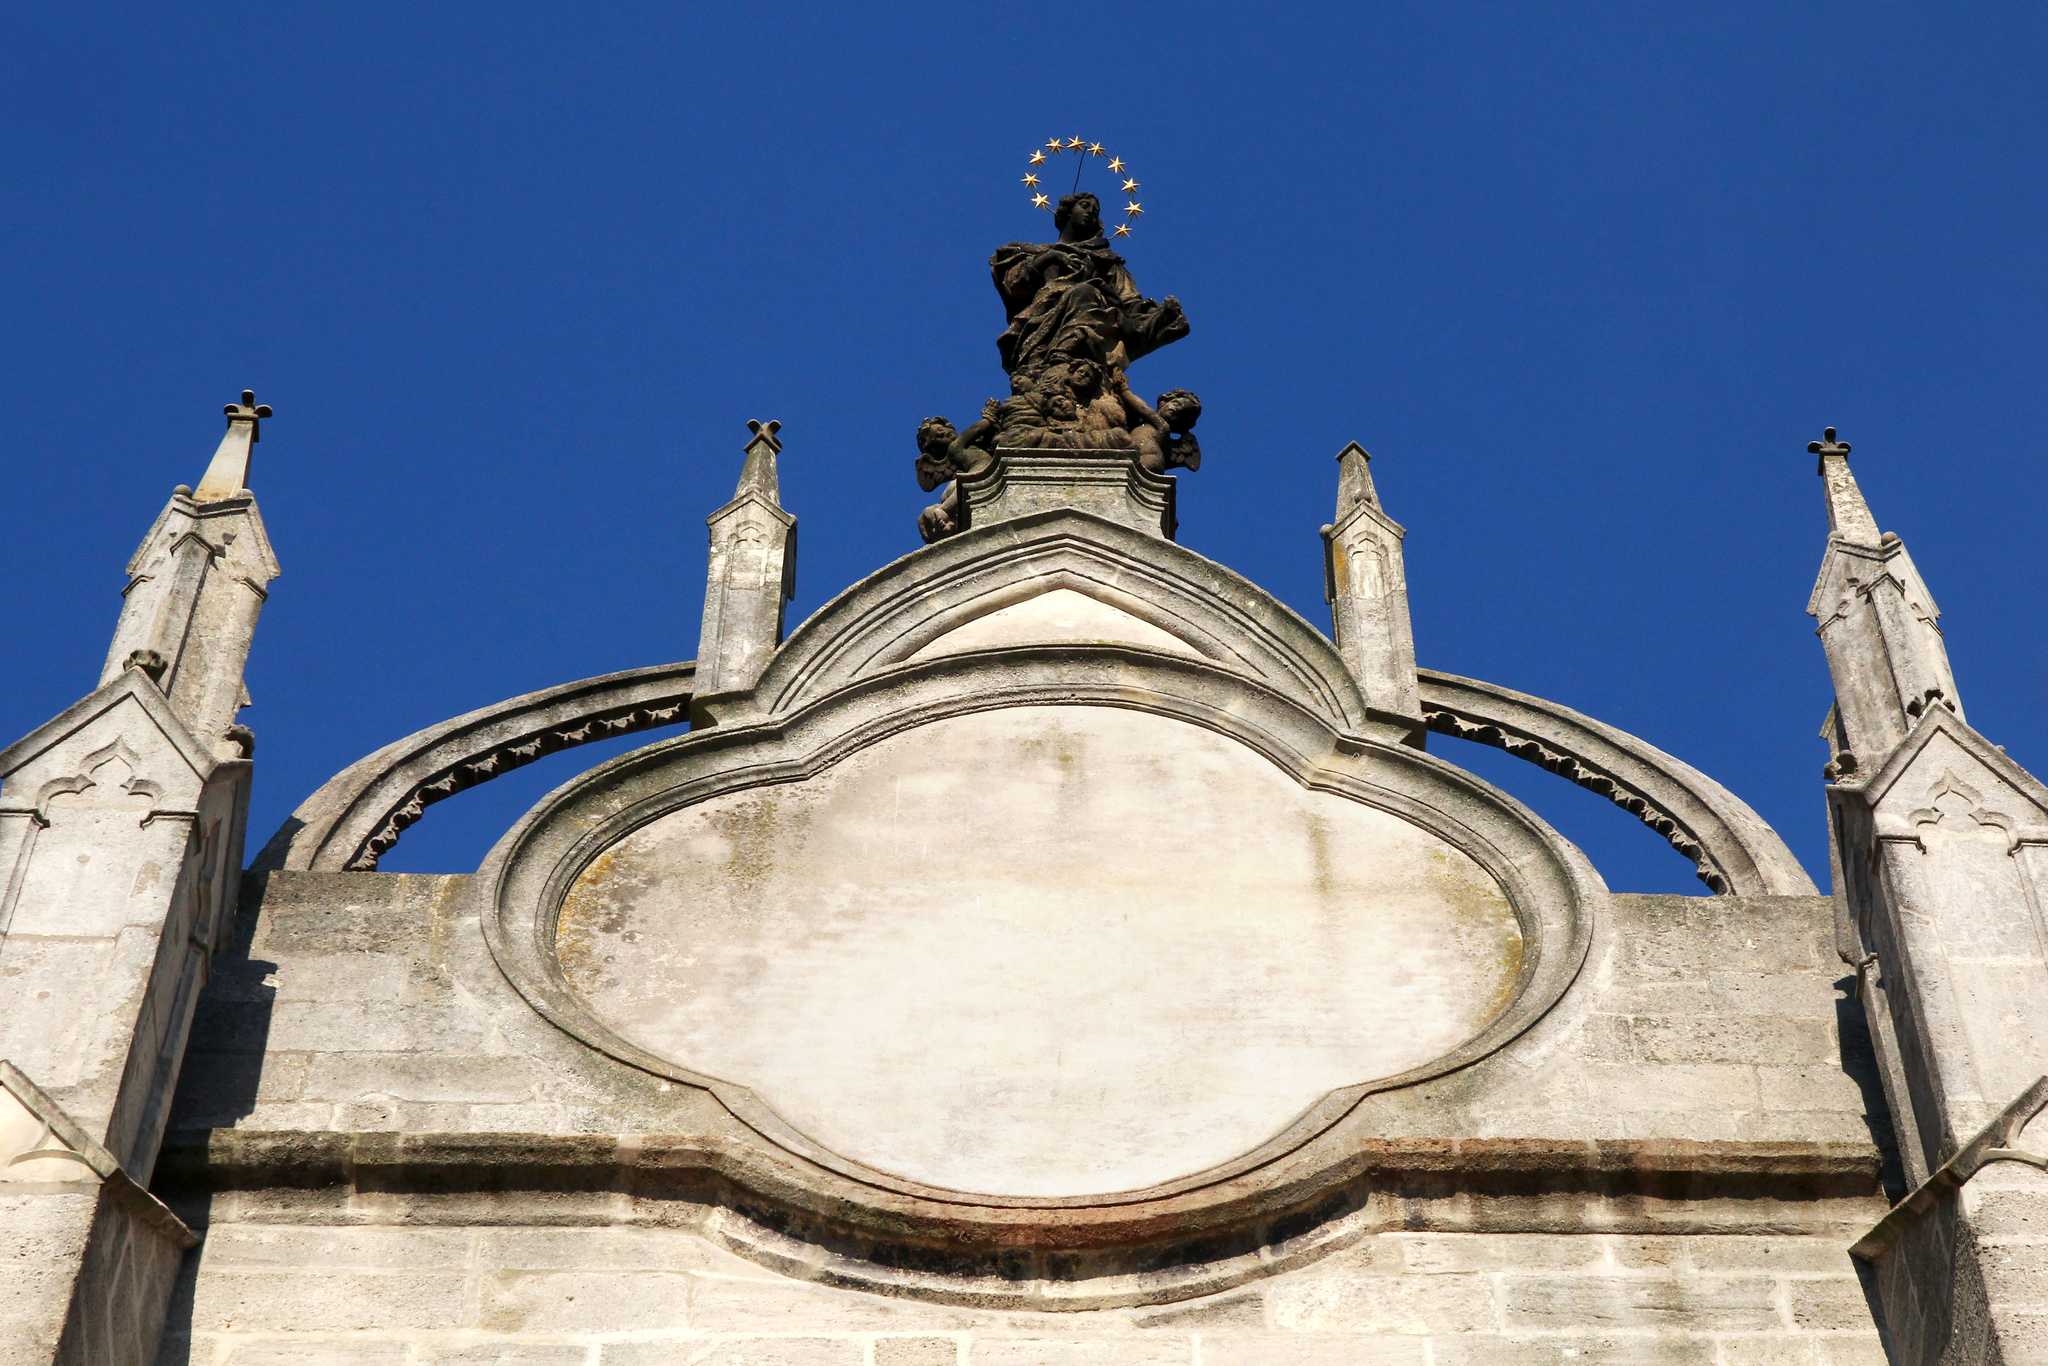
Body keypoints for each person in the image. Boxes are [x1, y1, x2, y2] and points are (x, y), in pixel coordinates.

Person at [989, 193, 1188, 384]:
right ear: (1067, 212)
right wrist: (1051, 257)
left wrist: (1159, 314)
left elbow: (1129, 300)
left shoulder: (1104, 260)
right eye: (1084, 206)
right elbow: (1014, 286)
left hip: (1092, 324)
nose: (1091, 212)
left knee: (1085, 292)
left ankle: (1069, 351)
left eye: (1095, 210)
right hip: (1041, 323)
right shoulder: (1035, 253)